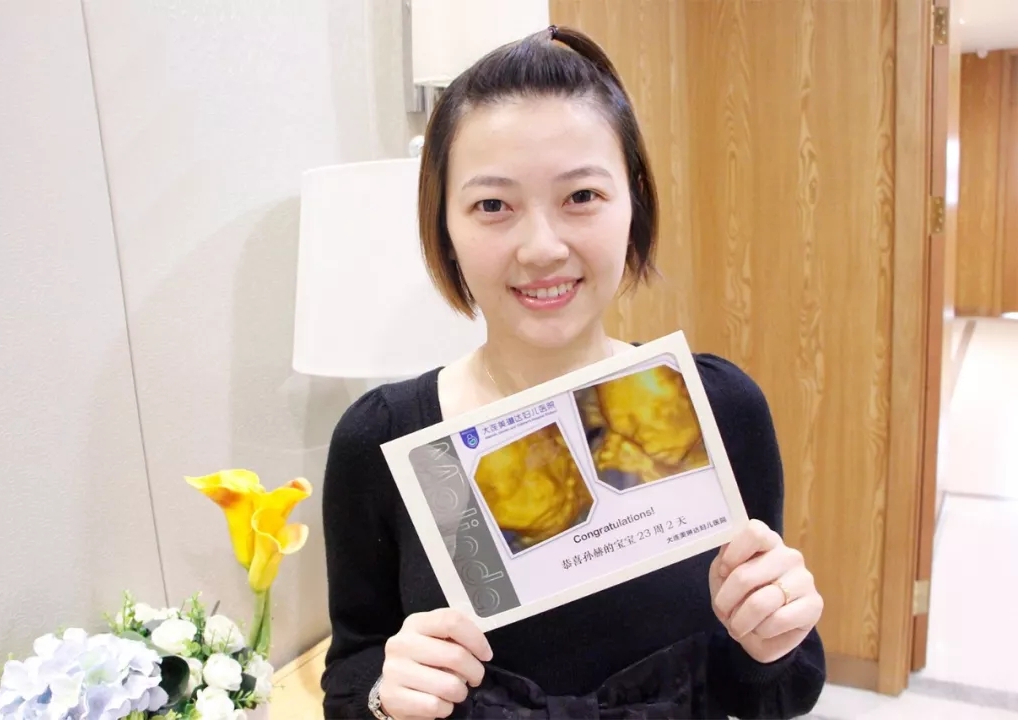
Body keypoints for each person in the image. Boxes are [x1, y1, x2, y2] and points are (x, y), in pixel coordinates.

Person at [319, 25, 826, 720]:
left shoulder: (719, 408)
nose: (542, 248)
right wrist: (385, 692)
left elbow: (771, 689)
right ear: (443, 226)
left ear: (633, 202)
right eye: (492, 205)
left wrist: (773, 640)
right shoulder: (379, 441)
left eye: (581, 195)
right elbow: (351, 672)